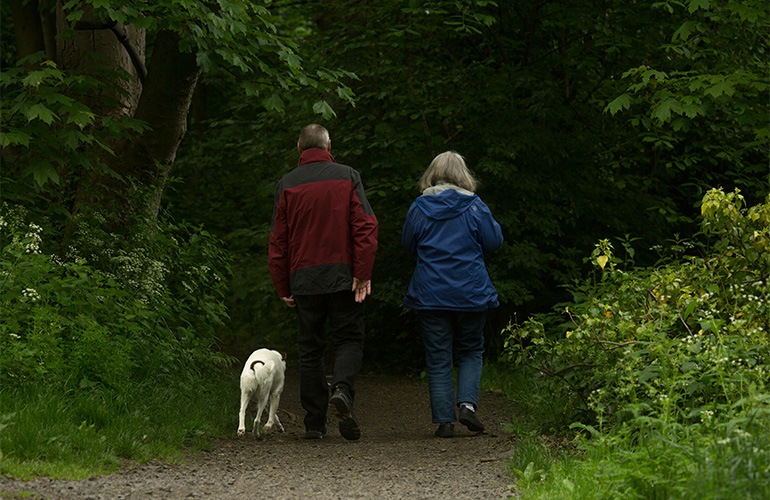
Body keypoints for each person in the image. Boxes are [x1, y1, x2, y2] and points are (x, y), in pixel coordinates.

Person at [268, 124, 378, 441]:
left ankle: (314, 422)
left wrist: (282, 285)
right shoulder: (347, 176)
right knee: (349, 339)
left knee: (310, 348)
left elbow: (278, 241)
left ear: (298, 147)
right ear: (329, 144)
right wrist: (363, 271)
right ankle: (341, 389)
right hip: (344, 275)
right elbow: (366, 228)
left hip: (304, 278)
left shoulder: (287, 184)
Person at [402, 151, 504, 438]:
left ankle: (444, 421)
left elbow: (408, 243)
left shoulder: (420, 207)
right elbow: (494, 241)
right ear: (463, 175)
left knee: (438, 357)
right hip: (470, 290)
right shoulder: (475, 206)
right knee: (471, 349)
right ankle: (468, 407)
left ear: (432, 174)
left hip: (431, 292)